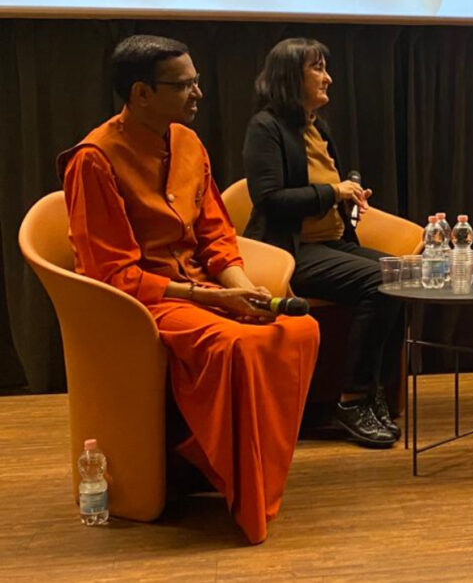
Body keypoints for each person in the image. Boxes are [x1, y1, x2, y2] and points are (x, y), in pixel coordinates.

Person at [58, 35, 319, 544]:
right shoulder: (94, 159)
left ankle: (217, 463)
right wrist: (211, 299)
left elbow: (217, 235)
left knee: (297, 328)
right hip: (144, 302)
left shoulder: (187, 142)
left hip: (203, 286)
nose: (198, 93)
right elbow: (113, 274)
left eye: (197, 81)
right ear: (141, 94)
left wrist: (246, 293)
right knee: (236, 346)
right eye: (184, 85)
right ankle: (223, 469)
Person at [242, 38, 402, 449]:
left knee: (401, 276)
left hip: (332, 242)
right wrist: (334, 193)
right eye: (318, 68)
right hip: (289, 252)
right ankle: (350, 401)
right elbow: (269, 198)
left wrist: (350, 198)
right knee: (379, 283)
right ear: (290, 76)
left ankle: (373, 393)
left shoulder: (317, 126)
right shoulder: (266, 126)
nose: (328, 77)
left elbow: (328, 187)